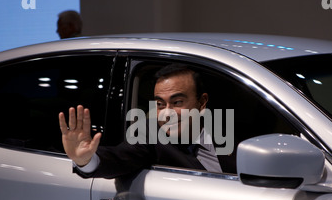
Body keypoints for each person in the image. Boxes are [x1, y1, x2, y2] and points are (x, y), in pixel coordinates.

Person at [59, 64, 237, 179]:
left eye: (177, 102)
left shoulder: (227, 127)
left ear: (202, 102)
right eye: (160, 104)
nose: (166, 114)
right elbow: (120, 156)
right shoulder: (150, 135)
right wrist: (86, 160)